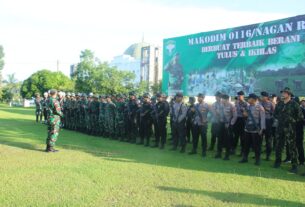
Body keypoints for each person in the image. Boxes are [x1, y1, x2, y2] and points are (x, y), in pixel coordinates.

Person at [273, 87, 303, 173]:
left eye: (284, 93)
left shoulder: (294, 104)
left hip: (290, 129)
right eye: (282, 92)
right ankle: (277, 162)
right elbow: (275, 114)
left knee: (292, 147)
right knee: (278, 145)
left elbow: (300, 117)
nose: (282, 94)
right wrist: (280, 118)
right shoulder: (279, 104)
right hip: (280, 128)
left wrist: (291, 120)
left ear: (289, 94)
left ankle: (294, 165)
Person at [239, 93, 265, 165]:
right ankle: (245, 158)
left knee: (256, 145)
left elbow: (262, 119)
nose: (248, 100)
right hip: (247, 128)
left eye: (249, 98)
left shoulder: (260, 107)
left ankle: (257, 160)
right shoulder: (248, 106)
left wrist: (262, 129)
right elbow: (246, 116)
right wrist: (244, 113)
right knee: (246, 144)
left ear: (253, 99)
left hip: (256, 129)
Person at [215, 94, 237, 160]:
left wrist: (231, 124)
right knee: (219, 139)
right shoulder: (221, 105)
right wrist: (217, 114)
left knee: (227, 140)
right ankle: (219, 154)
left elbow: (235, 116)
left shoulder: (232, 106)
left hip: (228, 125)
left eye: (223, 99)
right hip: (221, 124)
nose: (221, 100)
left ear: (227, 99)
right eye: (221, 99)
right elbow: (218, 114)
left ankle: (227, 155)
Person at [189, 93, 210, 157]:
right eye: (198, 97)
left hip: (203, 124)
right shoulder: (195, 105)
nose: (198, 98)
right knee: (195, 137)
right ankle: (194, 149)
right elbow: (191, 114)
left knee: (204, 138)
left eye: (200, 97)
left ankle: (204, 151)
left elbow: (211, 114)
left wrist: (206, 119)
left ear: (203, 98)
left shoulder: (207, 105)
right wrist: (192, 112)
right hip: (196, 124)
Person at [232, 91, 248, 155]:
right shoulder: (236, 103)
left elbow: (246, 114)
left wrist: (243, 111)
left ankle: (243, 151)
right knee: (235, 135)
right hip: (236, 119)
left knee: (242, 137)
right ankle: (233, 149)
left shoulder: (246, 104)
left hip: (243, 120)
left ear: (243, 96)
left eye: (240, 96)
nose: (238, 97)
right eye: (238, 96)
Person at [260, 91, 275, 161]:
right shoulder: (259, 103)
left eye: (263, 96)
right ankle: (258, 154)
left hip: (268, 121)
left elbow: (275, 113)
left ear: (266, 97)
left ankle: (268, 155)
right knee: (259, 139)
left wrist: (267, 110)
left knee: (268, 139)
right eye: (261, 96)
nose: (262, 97)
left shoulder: (271, 103)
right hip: (260, 122)